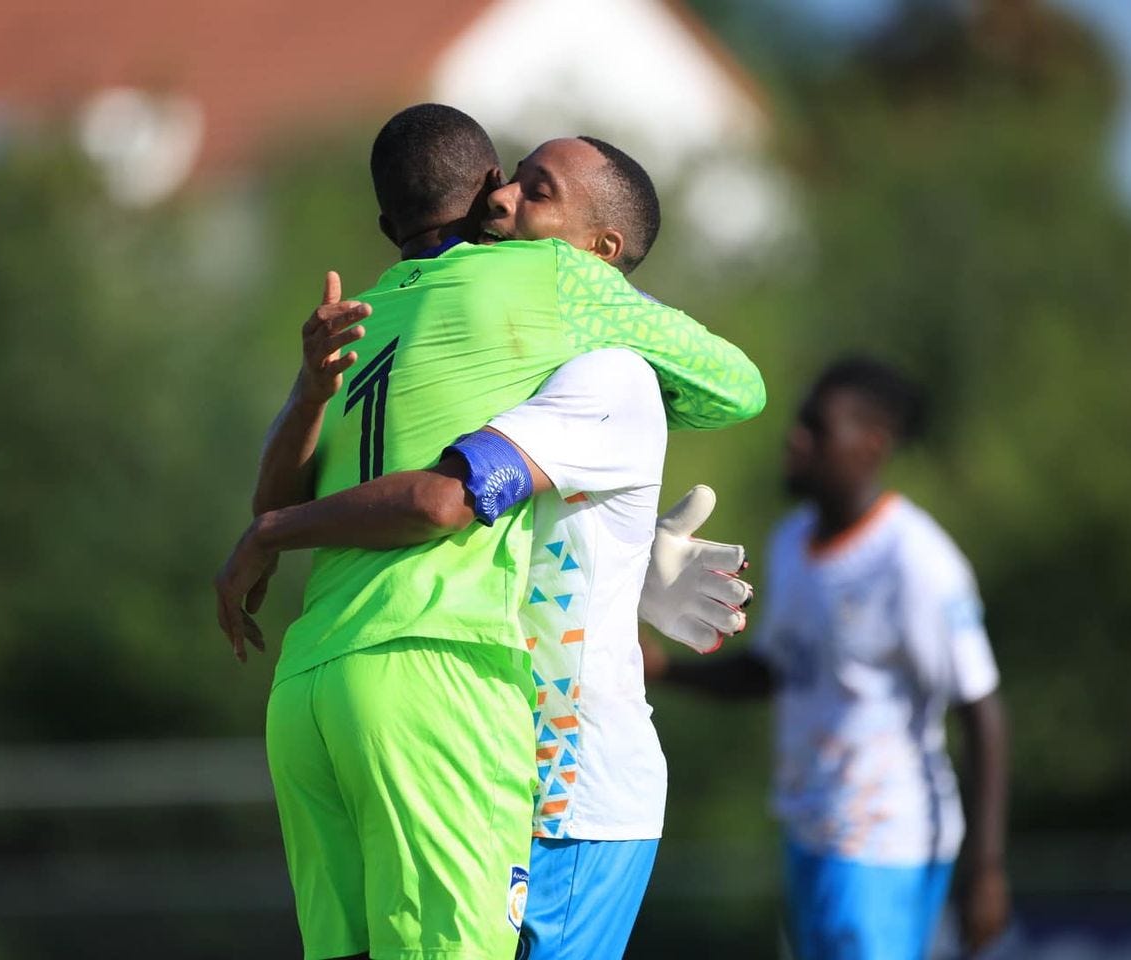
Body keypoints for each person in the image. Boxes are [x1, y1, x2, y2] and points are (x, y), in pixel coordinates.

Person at [215, 105, 764, 960]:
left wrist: (624, 536)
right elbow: (736, 386)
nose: (508, 197)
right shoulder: (555, 291)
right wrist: (604, 302)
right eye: (506, 180)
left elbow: (283, 501)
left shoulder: (368, 313)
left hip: (317, 684)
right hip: (439, 677)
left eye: (533, 188)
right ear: (474, 198)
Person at [645, 357, 1011, 960]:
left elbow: (981, 707)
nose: (797, 437)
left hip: (886, 841)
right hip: (809, 833)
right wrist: (664, 669)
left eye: (816, 427)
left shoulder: (914, 559)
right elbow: (774, 670)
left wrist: (988, 867)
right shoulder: (790, 543)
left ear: (871, 445)